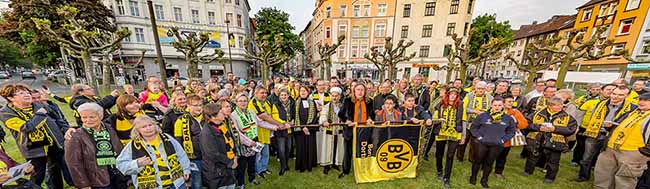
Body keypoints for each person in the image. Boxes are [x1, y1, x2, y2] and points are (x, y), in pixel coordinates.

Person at [0, 84, 70, 188]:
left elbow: (58, 119)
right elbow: (27, 127)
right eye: (21, 93)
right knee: (36, 176)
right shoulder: (6, 113)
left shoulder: (39, 105)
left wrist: (68, 129)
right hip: (34, 149)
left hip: (54, 144)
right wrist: (41, 114)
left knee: (57, 171)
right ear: (10, 98)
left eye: (27, 92)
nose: (27, 95)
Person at [575, 86, 636, 182]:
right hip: (595, 133)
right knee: (587, 157)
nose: (615, 97)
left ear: (627, 95)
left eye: (620, 95)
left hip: (613, 136)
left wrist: (613, 125)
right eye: (614, 94)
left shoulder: (632, 108)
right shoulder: (601, 103)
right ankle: (583, 176)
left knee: (608, 161)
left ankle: (604, 180)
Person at [116, 115, 191, 189]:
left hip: (176, 184)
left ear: (155, 125)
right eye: (144, 127)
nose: (148, 128)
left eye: (150, 125)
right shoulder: (132, 146)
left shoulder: (167, 138)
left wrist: (186, 169)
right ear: (137, 130)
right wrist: (137, 163)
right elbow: (120, 165)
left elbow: (181, 155)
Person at [594, 92, 650, 189]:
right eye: (640, 99)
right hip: (611, 148)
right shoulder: (632, 111)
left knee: (624, 181)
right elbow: (619, 125)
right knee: (602, 175)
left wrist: (643, 152)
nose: (641, 102)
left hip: (633, 152)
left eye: (646, 100)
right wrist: (610, 127)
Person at [65, 103, 127, 189]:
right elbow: (74, 163)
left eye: (92, 117)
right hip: (96, 181)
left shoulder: (109, 128)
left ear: (100, 116)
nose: (88, 120)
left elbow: (119, 149)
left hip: (117, 175)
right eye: (84, 117)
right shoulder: (75, 136)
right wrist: (83, 184)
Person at [522, 97, 578, 184]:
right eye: (558, 105)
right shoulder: (537, 114)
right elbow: (526, 124)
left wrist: (555, 129)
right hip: (537, 139)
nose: (561, 107)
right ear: (550, 106)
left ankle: (550, 178)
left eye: (561, 105)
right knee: (532, 157)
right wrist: (539, 127)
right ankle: (527, 171)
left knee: (553, 161)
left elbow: (571, 129)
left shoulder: (568, 117)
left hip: (555, 142)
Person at [231, 94, 278, 186]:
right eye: (240, 101)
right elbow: (237, 133)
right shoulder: (233, 115)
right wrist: (249, 142)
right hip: (243, 144)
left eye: (245, 101)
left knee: (252, 162)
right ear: (236, 103)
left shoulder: (251, 112)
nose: (243, 103)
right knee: (242, 165)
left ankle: (252, 178)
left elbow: (260, 123)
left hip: (254, 141)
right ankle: (240, 183)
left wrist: (276, 127)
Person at [469, 98, 516, 188]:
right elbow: (473, 127)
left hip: (497, 144)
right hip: (482, 143)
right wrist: (479, 137)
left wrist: (503, 140)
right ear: (491, 105)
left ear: (503, 106)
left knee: (489, 162)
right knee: (477, 161)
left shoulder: (508, 118)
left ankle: (484, 180)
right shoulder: (483, 116)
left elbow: (511, 131)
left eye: (499, 105)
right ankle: (473, 177)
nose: (497, 107)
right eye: (495, 105)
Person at [247, 87, 286, 178]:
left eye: (265, 93)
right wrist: (279, 124)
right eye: (262, 93)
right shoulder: (254, 102)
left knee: (265, 153)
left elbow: (271, 114)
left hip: (266, 132)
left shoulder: (267, 102)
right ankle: (258, 171)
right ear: (256, 93)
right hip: (257, 133)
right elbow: (264, 116)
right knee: (258, 154)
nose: (264, 94)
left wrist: (281, 123)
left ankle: (264, 168)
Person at [338, 83, 375, 178]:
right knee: (348, 152)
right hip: (350, 131)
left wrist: (370, 118)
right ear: (354, 91)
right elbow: (340, 114)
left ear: (365, 91)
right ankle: (345, 171)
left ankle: (363, 170)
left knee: (363, 151)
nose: (360, 92)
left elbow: (372, 114)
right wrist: (346, 121)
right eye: (358, 89)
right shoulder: (347, 100)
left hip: (364, 131)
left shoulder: (370, 101)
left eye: (362, 90)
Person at [432, 88, 465, 188]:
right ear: (447, 95)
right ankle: (439, 171)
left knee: (450, 155)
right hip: (442, 131)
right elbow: (434, 119)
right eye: (451, 94)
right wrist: (438, 119)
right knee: (439, 154)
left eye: (455, 94)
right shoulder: (441, 105)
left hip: (454, 133)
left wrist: (463, 135)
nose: (453, 96)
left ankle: (447, 177)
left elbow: (463, 120)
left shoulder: (460, 105)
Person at [200, 103, 238, 189]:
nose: (224, 113)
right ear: (213, 116)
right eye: (221, 112)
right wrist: (230, 162)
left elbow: (232, 141)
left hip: (228, 169)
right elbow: (212, 154)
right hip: (217, 172)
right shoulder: (207, 133)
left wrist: (235, 156)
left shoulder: (222, 126)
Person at [172, 94, 205, 189]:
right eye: (195, 105)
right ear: (188, 106)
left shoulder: (206, 117)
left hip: (208, 155)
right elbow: (178, 141)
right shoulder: (181, 120)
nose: (199, 107)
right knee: (197, 182)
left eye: (200, 105)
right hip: (193, 157)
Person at [494, 95, 528, 179]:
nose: (511, 103)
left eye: (512, 101)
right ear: (503, 102)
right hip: (493, 137)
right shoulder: (495, 110)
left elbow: (525, 124)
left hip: (506, 139)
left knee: (502, 156)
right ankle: (484, 168)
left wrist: (516, 123)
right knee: (490, 154)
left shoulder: (515, 112)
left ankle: (498, 171)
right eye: (509, 101)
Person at [458, 81, 493, 162]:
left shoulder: (490, 98)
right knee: (463, 140)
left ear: (485, 89)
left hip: (480, 125)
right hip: (468, 123)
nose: (480, 90)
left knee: (474, 143)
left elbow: (492, 110)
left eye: (482, 89)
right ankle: (459, 157)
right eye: (479, 88)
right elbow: (463, 108)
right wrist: (474, 111)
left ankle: (472, 158)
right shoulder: (469, 96)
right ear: (475, 88)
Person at [317, 87, 345, 175]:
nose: (334, 98)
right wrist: (324, 121)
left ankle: (335, 163)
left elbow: (346, 116)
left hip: (339, 130)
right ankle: (327, 164)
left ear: (339, 96)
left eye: (336, 96)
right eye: (333, 96)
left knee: (338, 146)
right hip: (329, 130)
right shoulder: (326, 106)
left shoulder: (343, 107)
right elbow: (323, 115)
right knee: (328, 147)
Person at [293, 86, 319, 173]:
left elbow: (315, 115)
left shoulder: (312, 102)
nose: (303, 92)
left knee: (309, 147)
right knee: (301, 147)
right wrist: (302, 127)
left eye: (305, 91)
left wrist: (308, 127)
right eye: (301, 91)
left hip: (310, 129)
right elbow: (294, 116)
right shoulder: (296, 103)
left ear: (308, 92)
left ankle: (309, 165)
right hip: (299, 129)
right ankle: (301, 166)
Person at [271, 88, 294, 176]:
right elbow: (275, 117)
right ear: (279, 96)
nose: (284, 96)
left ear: (288, 95)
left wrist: (292, 120)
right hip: (281, 130)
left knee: (289, 148)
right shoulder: (275, 105)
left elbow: (294, 114)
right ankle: (283, 166)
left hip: (289, 130)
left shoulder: (292, 104)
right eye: (282, 95)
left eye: (285, 95)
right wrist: (285, 123)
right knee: (281, 149)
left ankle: (286, 164)